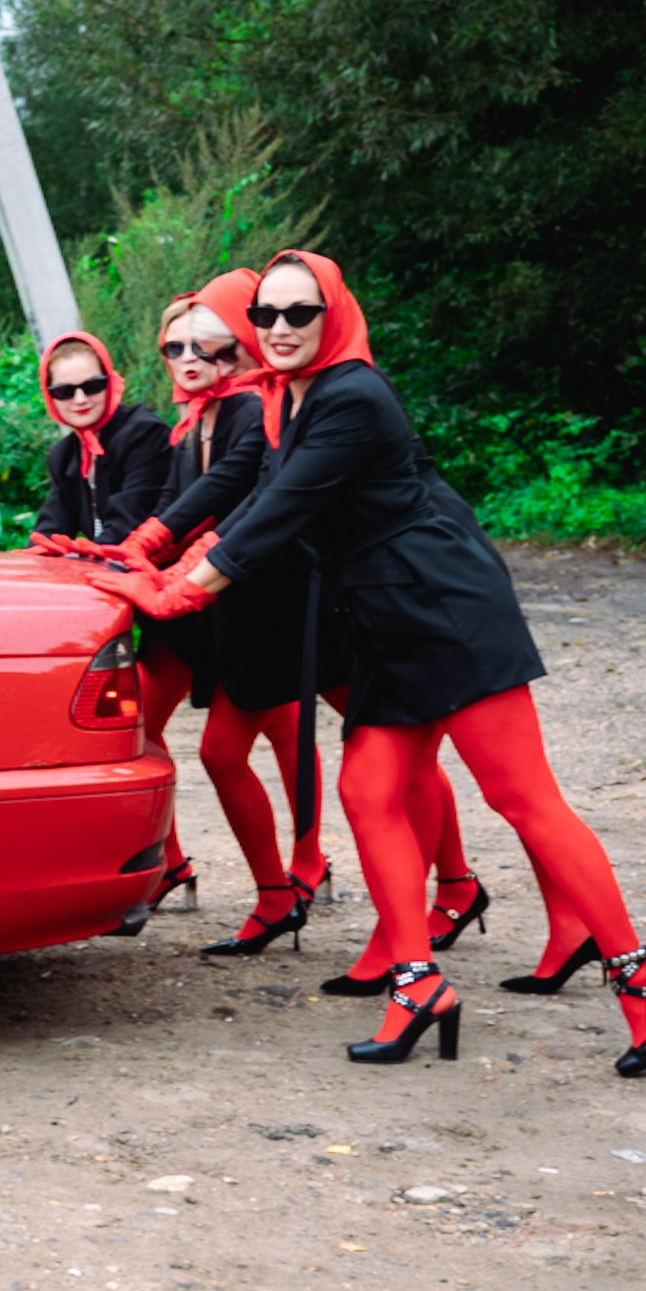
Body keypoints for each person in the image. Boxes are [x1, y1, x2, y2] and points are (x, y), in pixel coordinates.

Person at [92, 251, 646, 1075]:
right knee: (369, 790)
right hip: (381, 618)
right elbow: (249, 495)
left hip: (446, 609)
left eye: (299, 313)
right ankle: (418, 983)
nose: (279, 328)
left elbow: (278, 510)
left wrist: (176, 594)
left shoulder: (353, 396)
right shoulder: (288, 399)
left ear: (333, 314)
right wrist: (152, 557)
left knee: (522, 796)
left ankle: (639, 968)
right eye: (266, 315)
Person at [112, 273, 480, 975]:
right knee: (233, 751)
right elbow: (206, 497)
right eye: (175, 347)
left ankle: (447, 886)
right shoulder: (204, 418)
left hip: (304, 600)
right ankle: (286, 891)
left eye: (211, 346)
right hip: (248, 601)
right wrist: (144, 550)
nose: (193, 359)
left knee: (403, 756)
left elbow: (253, 502)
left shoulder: (273, 404)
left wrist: (174, 568)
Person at [23, 332, 182, 902]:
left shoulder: (143, 434)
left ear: (111, 382)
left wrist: (77, 554)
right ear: (50, 397)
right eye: (64, 391)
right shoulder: (65, 454)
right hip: (143, 608)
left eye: (91, 385)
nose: (80, 398)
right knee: (145, 736)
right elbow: (48, 531)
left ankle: (307, 866)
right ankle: (172, 864)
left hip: (190, 599)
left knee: (274, 738)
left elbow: (127, 523)